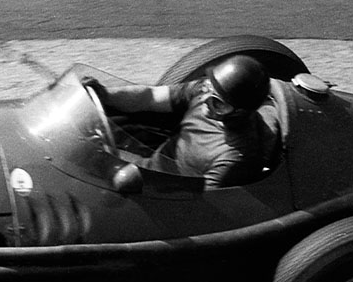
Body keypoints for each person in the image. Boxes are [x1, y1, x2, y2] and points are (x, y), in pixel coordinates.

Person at [84, 54, 274, 189]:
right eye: (209, 88)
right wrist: (105, 95)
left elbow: (203, 206)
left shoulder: (237, 158)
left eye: (218, 103)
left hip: (160, 196)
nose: (206, 102)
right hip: (148, 167)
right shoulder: (205, 92)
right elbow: (150, 97)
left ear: (240, 112)